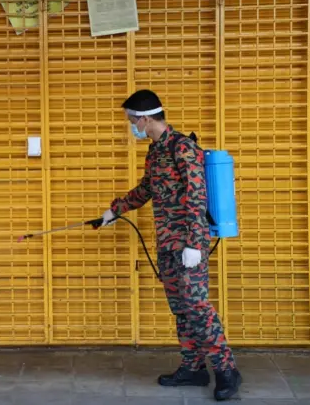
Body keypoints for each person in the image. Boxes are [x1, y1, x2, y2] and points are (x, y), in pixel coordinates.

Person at [100, 89, 242, 401]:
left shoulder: (183, 148)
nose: (131, 127)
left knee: (197, 307)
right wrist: (116, 210)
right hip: (167, 243)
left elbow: (196, 194)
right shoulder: (155, 152)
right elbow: (146, 189)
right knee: (181, 309)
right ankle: (193, 367)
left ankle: (227, 369)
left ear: (145, 118)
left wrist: (194, 243)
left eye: (131, 121)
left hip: (188, 245)